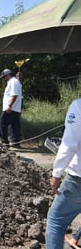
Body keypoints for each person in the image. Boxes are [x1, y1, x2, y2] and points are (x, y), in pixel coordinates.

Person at [46, 98, 81, 249]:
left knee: (56, 221)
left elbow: (69, 144)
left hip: (78, 180)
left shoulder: (79, 106)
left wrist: (57, 174)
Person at [0, 69, 22, 147]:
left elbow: (14, 95)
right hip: (15, 109)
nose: (4, 79)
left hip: (10, 108)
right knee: (14, 126)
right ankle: (16, 142)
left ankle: (4, 142)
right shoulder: (15, 82)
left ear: (8, 75)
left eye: (4, 77)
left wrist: (9, 106)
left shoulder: (13, 82)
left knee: (3, 124)